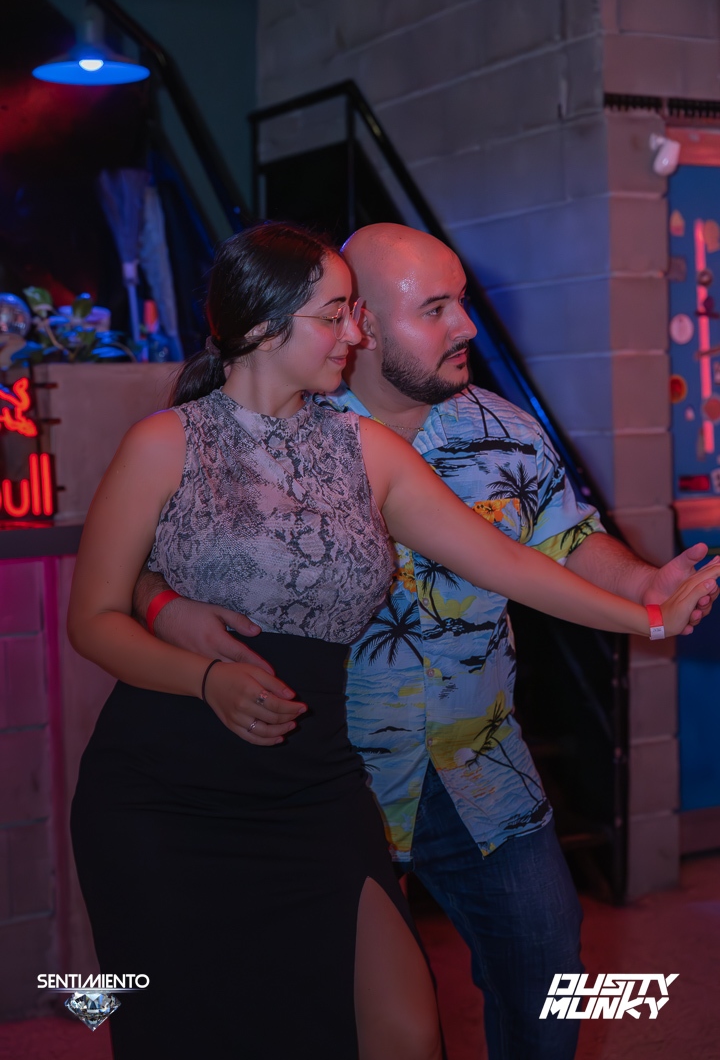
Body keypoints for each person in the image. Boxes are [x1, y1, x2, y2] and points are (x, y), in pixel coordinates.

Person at [70, 222, 718, 1060]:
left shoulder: (426, 441)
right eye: (432, 308)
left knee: (504, 992)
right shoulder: (181, 436)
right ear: (289, 325)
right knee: (227, 1018)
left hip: (433, 767)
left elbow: (529, 554)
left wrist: (647, 608)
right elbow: (117, 591)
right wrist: (179, 634)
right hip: (265, 767)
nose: (465, 327)